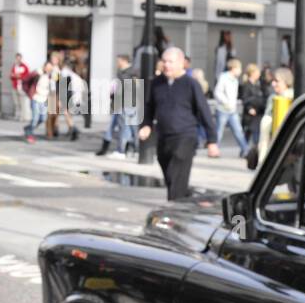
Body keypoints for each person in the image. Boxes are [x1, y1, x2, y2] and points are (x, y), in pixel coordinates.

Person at [138, 47, 219, 200]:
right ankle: (183, 198)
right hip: (164, 137)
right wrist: (146, 125)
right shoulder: (156, 83)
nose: (166, 65)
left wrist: (212, 140)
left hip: (185, 136)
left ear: (182, 63)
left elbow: (204, 111)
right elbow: (149, 107)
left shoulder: (191, 84)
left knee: (177, 172)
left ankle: (174, 209)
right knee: (170, 176)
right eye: (164, 61)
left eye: (171, 62)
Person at [98, 54, 138, 157]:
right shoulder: (121, 72)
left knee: (126, 127)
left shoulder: (132, 72)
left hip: (127, 103)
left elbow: (135, 88)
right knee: (117, 126)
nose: (117, 63)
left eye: (119, 60)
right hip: (119, 103)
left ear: (124, 61)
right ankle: (122, 149)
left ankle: (123, 150)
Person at [212, 56, 249, 157]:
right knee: (219, 132)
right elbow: (217, 92)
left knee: (238, 131)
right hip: (223, 109)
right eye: (239, 68)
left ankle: (245, 150)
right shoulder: (224, 77)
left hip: (232, 110)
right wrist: (226, 102)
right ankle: (214, 150)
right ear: (233, 68)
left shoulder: (235, 80)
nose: (240, 71)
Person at [257, 67, 295, 163]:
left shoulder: (291, 97)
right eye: (273, 81)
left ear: (286, 82)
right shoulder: (273, 97)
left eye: (277, 81)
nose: (273, 84)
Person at [239, 62, 266, 154]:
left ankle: (245, 150)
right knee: (251, 133)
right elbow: (245, 99)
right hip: (250, 114)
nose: (259, 75)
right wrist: (249, 108)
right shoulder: (247, 85)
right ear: (252, 73)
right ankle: (247, 151)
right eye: (257, 72)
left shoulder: (257, 85)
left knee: (251, 133)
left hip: (257, 113)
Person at [26, 62, 53, 144]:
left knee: (43, 118)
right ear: (44, 67)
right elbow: (27, 80)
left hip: (44, 100)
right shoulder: (37, 74)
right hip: (36, 99)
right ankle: (30, 135)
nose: (49, 69)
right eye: (47, 68)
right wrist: (30, 92)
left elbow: (57, 82)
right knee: (35, 119)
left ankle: (28, 128)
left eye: (50, 68)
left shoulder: (51, 76)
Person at [10, 54, 32, 124]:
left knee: (22, 102)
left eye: (19, 58)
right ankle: (17, 115)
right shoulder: (14, 66)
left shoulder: (24, 67)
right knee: (16, 102)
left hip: (21, 87)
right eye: (17, 58)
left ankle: (22, 116)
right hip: (15, 86)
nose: (18, 60)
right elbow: (11, 75)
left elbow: (27, 76)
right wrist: (14, 75)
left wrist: (19, 76)